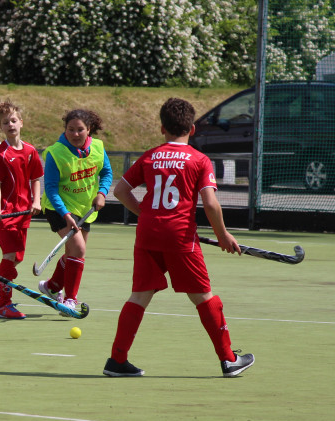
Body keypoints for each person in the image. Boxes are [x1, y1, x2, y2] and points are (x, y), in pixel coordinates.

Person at [104, 97, 254, 378]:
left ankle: (116, 360)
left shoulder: (150, 156)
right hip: (180, 238)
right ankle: (228, 359)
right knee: (204, 296)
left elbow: (121, 191)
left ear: (162, 128)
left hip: (147, 234)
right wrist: (222, 235)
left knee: (139, 296)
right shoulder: (199, 160)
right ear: (192, 129)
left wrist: (147, 214)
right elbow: (210, 203)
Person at [36, 109, 113, 315]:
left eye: (80, 130)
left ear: (89, 129)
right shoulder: (56, 153)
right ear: (65, 129)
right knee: (78, 249)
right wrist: (66, 215)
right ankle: (70, 300)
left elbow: (107, 172)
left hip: (85, 208)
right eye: (71, 129)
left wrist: (102, 193)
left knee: (73, 253)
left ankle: (52, 286)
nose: (75, 134)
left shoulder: (97, 147)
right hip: (58, 207)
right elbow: (51, 188)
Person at [0, 101, 44, 319]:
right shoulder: (0, 154)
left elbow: (36, 179)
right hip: (6, 213)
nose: (10, 125)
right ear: (0, 127)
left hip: (24, 212)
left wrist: (36, 201)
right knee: (9, 258)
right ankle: (4, 305)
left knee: (16, 258)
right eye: (5, 122)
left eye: (13, 120)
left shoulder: (30, 151)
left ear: (21, 123)